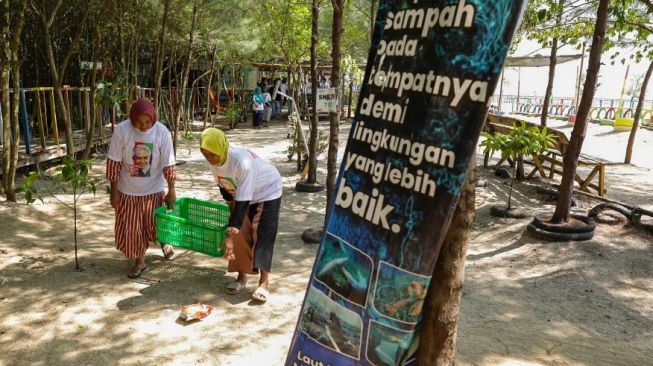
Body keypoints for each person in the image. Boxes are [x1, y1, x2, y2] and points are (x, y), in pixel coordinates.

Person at [199, 128, 282, 303]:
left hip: (267, 191)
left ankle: (264, 282)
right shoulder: (213, 158)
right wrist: (232, 219)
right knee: (239, 233)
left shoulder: (241, 162)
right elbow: (224, 187)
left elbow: (243, 202)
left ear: (221, 147)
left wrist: (230, 233)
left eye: (211, 154)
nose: (209, 157)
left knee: (261, 233)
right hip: (240, 193)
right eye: (205, 153)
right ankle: (241, 278)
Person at [106, 98, 176, 278]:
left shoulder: (162, 132)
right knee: (132, 229)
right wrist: (114, 193)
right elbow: (114, 162)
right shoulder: (122, 130)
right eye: (139, 122)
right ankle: (139, 261)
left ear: (154, 119)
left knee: (156, 224)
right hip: (128, 190)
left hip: (154, 189)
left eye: (148, 122)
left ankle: (164, 242)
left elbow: (168, 163)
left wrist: (171, 190)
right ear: (132, 119)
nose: (144, 126)